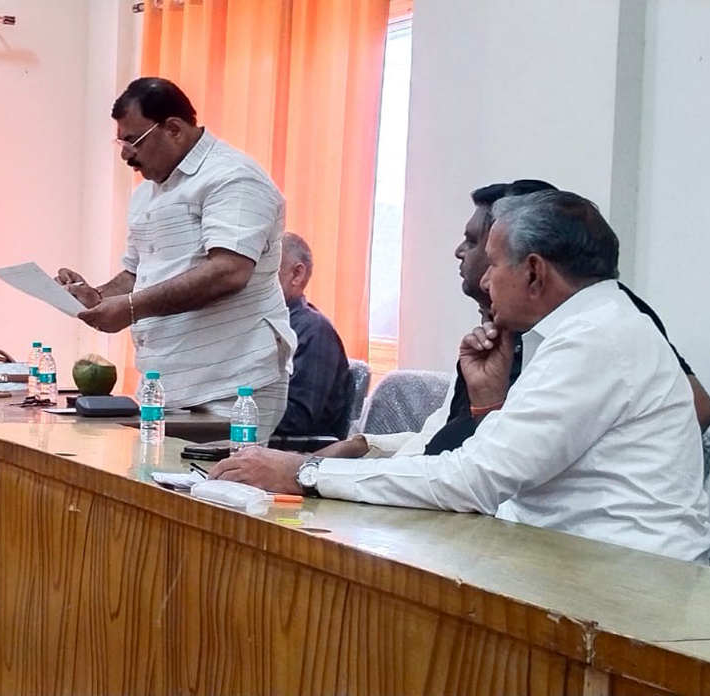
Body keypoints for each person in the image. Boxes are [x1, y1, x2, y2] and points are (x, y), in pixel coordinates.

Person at [213, 191, 710, 563]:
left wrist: (306, 474)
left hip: (626, 579)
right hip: (572, 559)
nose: (485, 279)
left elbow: (474, 480)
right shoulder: (581, 326)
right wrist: (489, 406)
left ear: (534, 272)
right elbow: (513, 465)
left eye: (493, 264)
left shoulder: (596, 337)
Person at [317, 179, 708, 461]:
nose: (460, 253)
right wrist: (367, 449)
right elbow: (452, 442)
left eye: (478, 244)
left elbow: (487, 473)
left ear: (531, 265)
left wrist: (317, 475)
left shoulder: (599, 326)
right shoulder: (496, 332)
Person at [54, 77, 294, 442]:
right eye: (121, 142)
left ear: (174, 130)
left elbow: (229, 271)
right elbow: (137, 273)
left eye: (133, 141)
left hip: (232, 384)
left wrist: (130, 308)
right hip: (166, 383)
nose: (125, 155)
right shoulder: (148, 193)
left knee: (217, 478)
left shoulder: (233, 178)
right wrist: (98, 295)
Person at [273, 232, 351, 439]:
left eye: (267, 270)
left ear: (296, 274)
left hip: (290, 451)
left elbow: (298, 418)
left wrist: (235, 406)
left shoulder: (314, 331)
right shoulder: (262, 327)